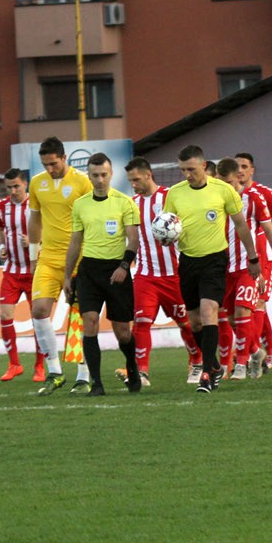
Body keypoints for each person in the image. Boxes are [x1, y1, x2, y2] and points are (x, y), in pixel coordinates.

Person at [164, 145, 260, 393]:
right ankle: (214, 365)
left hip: (215, 260)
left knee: (209, 311)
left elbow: (241, 225)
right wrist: (165, 237)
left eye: (191, 169)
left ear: (204, 166)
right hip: (187, 261)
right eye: (183, 170)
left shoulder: (224, 190)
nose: (187, 174)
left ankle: (207, 373)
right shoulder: (175, 194)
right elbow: (167, 226)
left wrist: (253, 256)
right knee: (194, 322)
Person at [59, 153, 141, 397]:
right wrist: (67, 276)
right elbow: (75, 242)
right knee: (90, 322)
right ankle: (96, 383)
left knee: (122, 331)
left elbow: (133, 239)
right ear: (89, 176)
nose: (100, 179)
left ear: (111, 174)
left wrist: (124, 266)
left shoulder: (125, 202)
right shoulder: (81, 204)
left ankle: (132, 367)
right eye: (95, 175)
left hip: (117, 271)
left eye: (104, 174)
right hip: (89, 272)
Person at [123, 157, 201, 386]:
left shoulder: (171, 197)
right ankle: (141, 372)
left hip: (175, 274)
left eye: (136, 179)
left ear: (148, 175)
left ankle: (197, 361)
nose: (133, 184)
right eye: (130, 181)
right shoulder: (131, 204)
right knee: (142, 321)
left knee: (186, 323)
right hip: (146, 275)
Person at [27, 137, 93, 395]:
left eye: (53, 163)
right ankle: (54, 371)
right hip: (49, 258)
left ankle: (83, 376)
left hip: (79, 258)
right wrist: (33, 257)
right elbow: (35, 219)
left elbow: (93, 216)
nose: (49, 169)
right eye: (45, 164)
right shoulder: (36, 183)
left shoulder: (81, 181)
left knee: (80, 316)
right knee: (39, 310)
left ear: (64, 158)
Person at [216, 158, 272, 379]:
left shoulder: (254, 198)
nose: (225, 186)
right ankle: (255, 352)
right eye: (221, 182)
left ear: (238, 178)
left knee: (245, 310)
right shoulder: (214, 198)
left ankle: (240, 364)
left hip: (249, 265)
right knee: (231, 318)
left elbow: (270, 229)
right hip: (224, 267)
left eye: (229, 182)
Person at [0, 168, 44, 382]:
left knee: (39, 321)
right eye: (9, 187)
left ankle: (40, 366)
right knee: (5, 316)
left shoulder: (36, 205)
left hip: (34, 271)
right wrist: (2, 245)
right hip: (12, 272)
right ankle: (14, 364)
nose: (13, 191)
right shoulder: (1, 207)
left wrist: (36, 242)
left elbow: (51, 228)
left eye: (16, 186)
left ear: (25, 184)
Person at [236, 152, 272, 370]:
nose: (240, 170)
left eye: (244, 166)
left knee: (258, 305)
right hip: (240, 259)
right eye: (236, 166)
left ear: (252, 169)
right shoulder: (227, 195)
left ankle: (264, 354)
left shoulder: (263, 193)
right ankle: (259, 351)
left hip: (265, 258)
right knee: (248, 308)